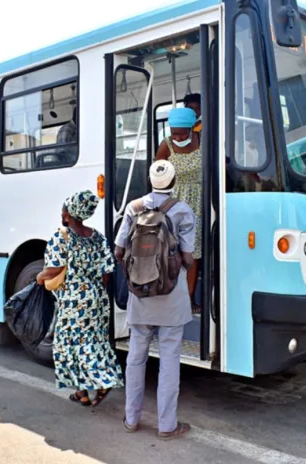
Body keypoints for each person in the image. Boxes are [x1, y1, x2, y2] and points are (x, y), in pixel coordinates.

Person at [115, 159, 195, 440]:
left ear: (150, 181)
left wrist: (138, 275)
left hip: (141, 296)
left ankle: (131, 419)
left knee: (136, 359)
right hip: (171, 297)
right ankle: (166, 425)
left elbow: (119, 251)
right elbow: (187, 257)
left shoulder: (133, 208)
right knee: (169, 360)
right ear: (173, 183)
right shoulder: (182, 210)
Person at [36, 190, 124, 407]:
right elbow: (106, 272)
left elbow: (53, 268)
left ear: (69, 215)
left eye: (63, 211)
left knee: (72, 345)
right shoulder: (97, 237)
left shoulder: (62, 237)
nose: (62, 214)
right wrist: (94, 291)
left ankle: (103, 381)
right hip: (97, 299)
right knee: (94, 341)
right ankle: (82, 393)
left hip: (73, 301)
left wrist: (39, 277)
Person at [156, 107, 202, 314]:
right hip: (173, 203)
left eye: (182, 133)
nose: (177, 137)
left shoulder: (202, 141)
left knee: (193, 254)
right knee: (171, 253)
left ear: (192, 128)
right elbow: (157, 174)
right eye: (174, 132)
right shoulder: (166, 145)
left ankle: (188, 300)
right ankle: (170, 298)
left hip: (198, 203)